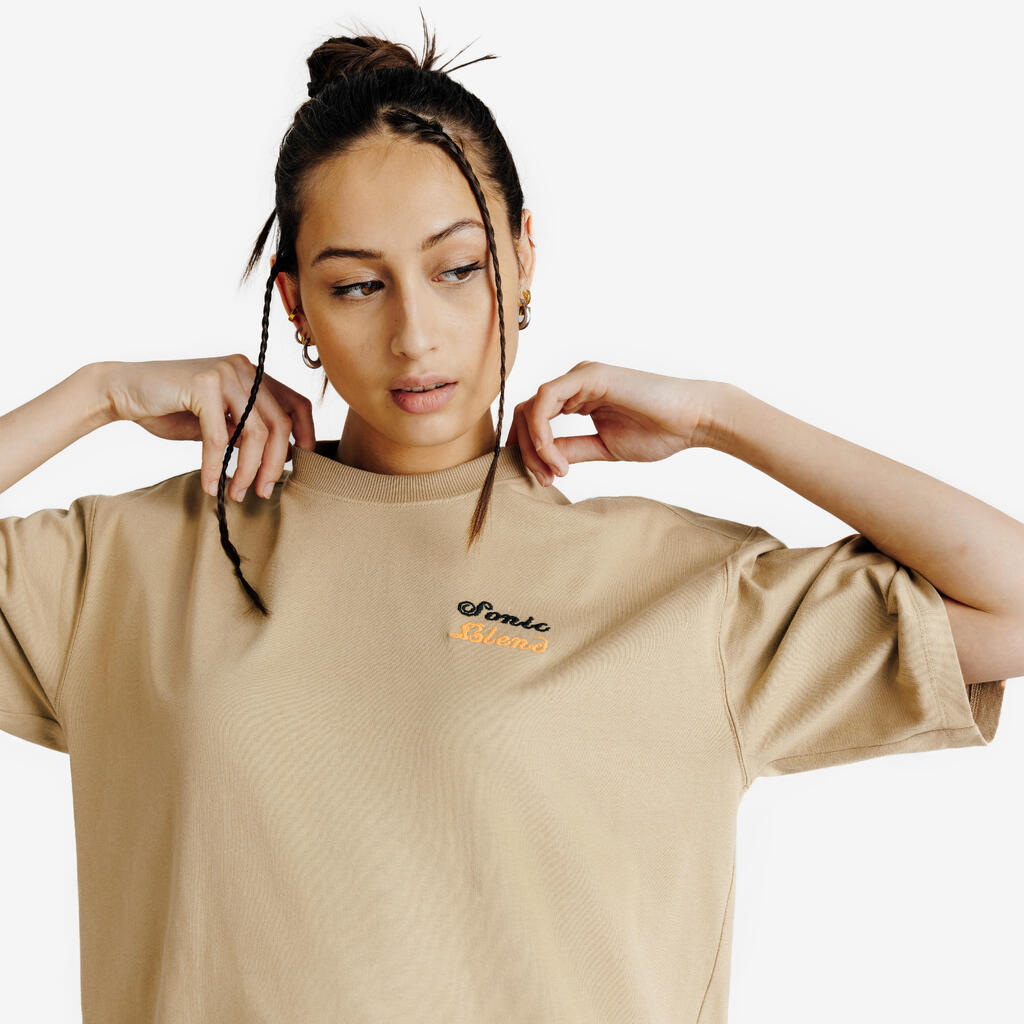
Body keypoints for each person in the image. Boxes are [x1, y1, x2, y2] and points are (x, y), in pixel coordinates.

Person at [0, 13, 1017, 1023]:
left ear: (524, 257)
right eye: (357, 285)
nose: (415, 334)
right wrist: (96, 394)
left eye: (458, 268)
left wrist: (724, 418)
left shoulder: (677, 587)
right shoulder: (130, 562)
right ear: (295, 306)